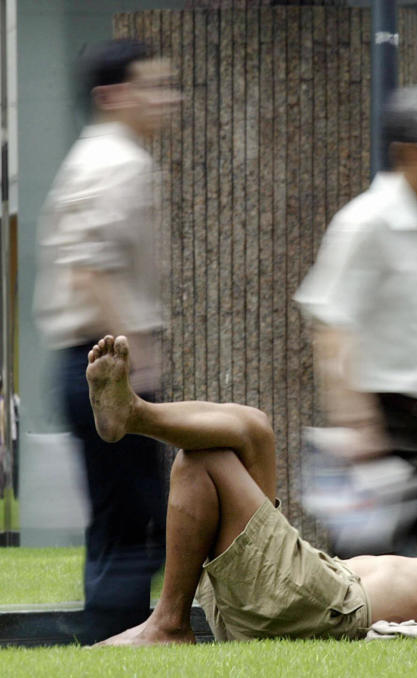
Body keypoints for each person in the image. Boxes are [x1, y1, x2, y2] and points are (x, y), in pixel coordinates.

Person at [82, 335, 417, 646]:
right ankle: (135, 414)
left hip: (322, 607)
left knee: (208, 456)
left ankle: (168, 624)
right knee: (251, 429)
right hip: (310, 589)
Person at [33, 39, 181, 643]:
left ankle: (110, 627)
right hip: (103, 361)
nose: (166, 99)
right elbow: (88, 268)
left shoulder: (101, 157)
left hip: (92, 360)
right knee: (140, 512)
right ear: (111, 96)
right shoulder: (114, 162)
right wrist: (135, 362)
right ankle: (111, 630)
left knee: (122, 512)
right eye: (151, 85)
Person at [295, 86, 417, 553]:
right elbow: (331, 327)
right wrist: (361, 427)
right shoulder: (366, 222)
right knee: (371, 581)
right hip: (384, 425)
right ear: (408, 152)